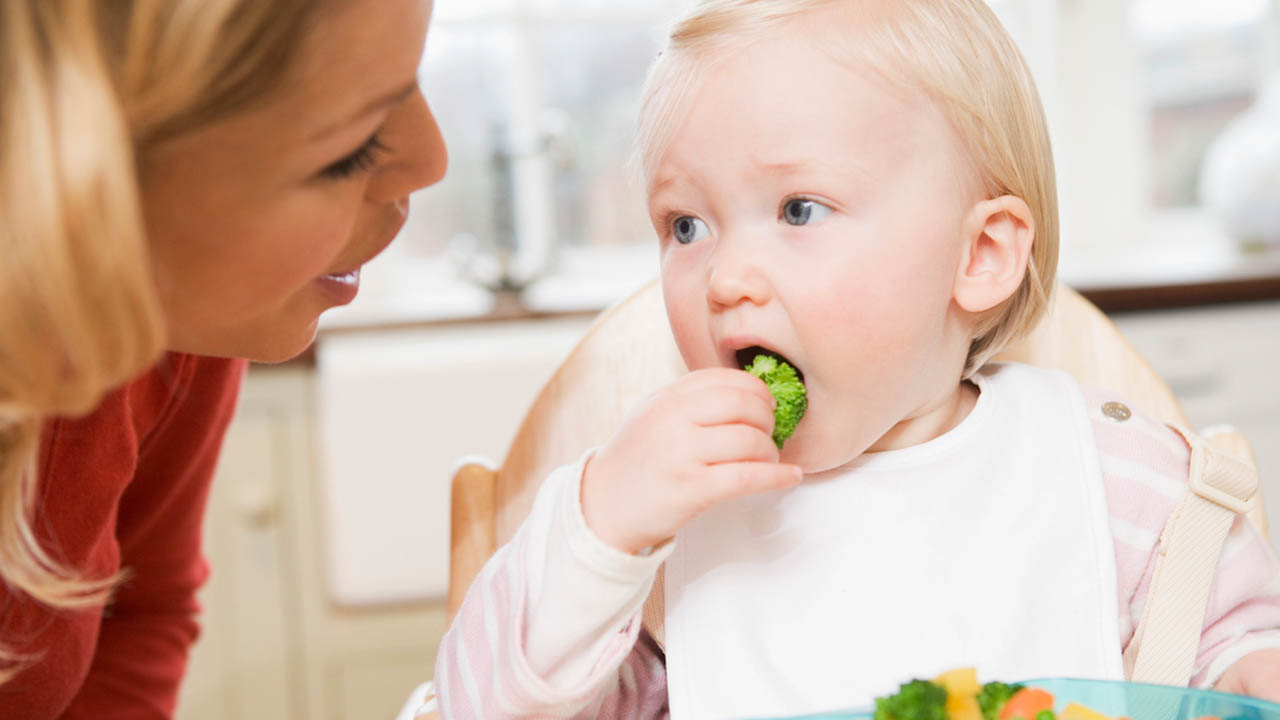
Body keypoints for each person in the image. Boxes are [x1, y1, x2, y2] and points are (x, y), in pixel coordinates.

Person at [431, 0, 1280, 717]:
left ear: (979, 254)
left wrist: (1246, 672)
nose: (725, 278)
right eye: (685, 226)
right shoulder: (664, 525)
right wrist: (600, 531)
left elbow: (1227, 651)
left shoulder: (1115, 476)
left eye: (799, 209)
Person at [0, 0, 446, 716]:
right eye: (349, 150)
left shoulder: (181, 325)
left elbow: (142, 615)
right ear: (82, 182)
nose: (432, 162)